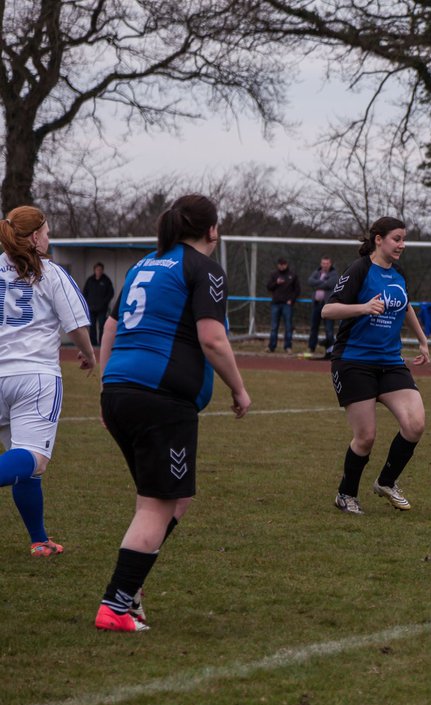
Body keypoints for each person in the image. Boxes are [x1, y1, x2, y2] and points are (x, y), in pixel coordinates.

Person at [95, 194, 251, 632]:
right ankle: (117, 605)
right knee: (156, 505)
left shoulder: (146, 263)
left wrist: (108, 384)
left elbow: (110, 325)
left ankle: (131, 587)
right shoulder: (203, 268)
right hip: (160, 399)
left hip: (122, 390)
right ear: (212, 230)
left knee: (174, 497)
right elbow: (213, 339)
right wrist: (239, 389)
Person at [0, 205, 97, 557]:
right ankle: (39, 539)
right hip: (34, 377)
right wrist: (88, 353)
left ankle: (39, 540)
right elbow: (75, 325)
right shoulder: (50, 273)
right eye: (47, 230)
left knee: (24, 466)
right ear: (36, 236)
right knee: (34, 459)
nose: (49, 236)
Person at [323, 217, 430, 515]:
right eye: (397, 239)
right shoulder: (359, 270)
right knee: (366, 436)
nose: (402, 245)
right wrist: (363, 307)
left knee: (415, 425)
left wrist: (421, 339)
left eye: (404, 239)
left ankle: (386, 482)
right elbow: (328, 309)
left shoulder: (398, 273)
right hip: (354, 362)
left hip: (390, 363)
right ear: (379, 239)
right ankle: (346, 495)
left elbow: (404, 304)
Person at [307, 255, 339, 357]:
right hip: (316, 304)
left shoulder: (334, 274)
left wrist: (318, 284)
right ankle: (311, 347)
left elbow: (330, 284)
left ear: (330, 264)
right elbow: (310, 281)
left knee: (329, 329)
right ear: (321, 264)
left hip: (328, 305)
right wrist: (322, 282)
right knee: (313, 327)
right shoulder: (317, 272)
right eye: (323, 263)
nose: (325, 265)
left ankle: (330, 350)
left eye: (327, 263)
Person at [266, 256, 300, 353]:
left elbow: (297, 290)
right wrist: (276, 283)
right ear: (278, 265)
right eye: (280, 265)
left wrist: (291, 300)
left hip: (287, 304)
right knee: (274, 327)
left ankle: (288, 347)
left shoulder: (292, 275)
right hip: (275, 304)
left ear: (286, 265)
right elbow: (268, 287)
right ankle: (271, 347)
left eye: (283, 264)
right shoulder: (274, 275)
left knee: (288, 326)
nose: (281, 266)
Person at [82, 262, 115, 346]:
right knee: (92, 326)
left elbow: (111, 293)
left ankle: (101, 343)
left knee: (102, 326)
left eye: (100, 270)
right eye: (97, 270)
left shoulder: (106, 280)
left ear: (102, 270)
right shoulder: (90, 280)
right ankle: (93, 343)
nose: (98, 271)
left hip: (102, 309)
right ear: (94, 270)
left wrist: (104, 303)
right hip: (91, 308)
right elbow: (85, 292)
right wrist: (87, 303)